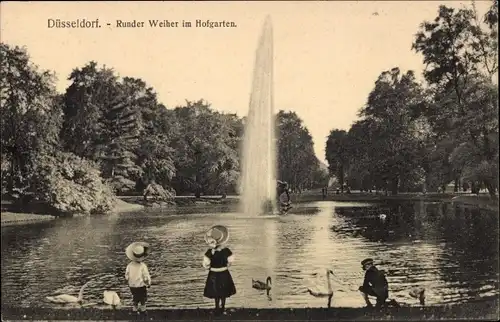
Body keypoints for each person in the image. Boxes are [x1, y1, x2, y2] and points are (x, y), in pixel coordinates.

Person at [203, 225, 237, 314]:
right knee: (224, 291)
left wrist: (210, 266)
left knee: (215, 291)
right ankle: (223, 307)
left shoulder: (209, 252)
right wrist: (226, 265)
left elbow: (206, 264)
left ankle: (217, 307)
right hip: (224, 273)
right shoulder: (226, 251)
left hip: (213, 273)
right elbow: (230, 261)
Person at [125, 242, 152, 314]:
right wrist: (148, 283)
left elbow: (126, 276)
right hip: (141, 285)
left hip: (132, 285)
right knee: (142, 298)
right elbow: (145, 277)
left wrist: (129, 281)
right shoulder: (142, 266)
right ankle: (143, 310)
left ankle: (134, 310)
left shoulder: (129, 265)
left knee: (135, 297)